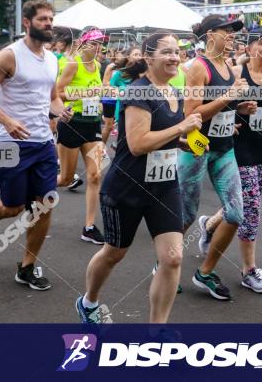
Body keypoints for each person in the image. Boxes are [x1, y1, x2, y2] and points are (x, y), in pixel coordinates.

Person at [77, 33, 203, 323]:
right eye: (167, 52)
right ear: (148, 58)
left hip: (164, 187)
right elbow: (137, 144)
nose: (175, 57)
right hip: (127, 187)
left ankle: (157, 333)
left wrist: (183, 142)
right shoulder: (138, 91)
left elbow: (161, 137)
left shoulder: (174, 91)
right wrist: (181, 127)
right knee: (114, 253)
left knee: (172, 258)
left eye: (177, 52)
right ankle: (89, 301)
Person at [0, 0, 70, 291]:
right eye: (43, 19)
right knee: (12, 207)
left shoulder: (51, 59)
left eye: (51, 19)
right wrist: (7, 121)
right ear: (27, 22)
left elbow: (52, 97)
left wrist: (61, 111)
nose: (49, 23)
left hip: (43, 143)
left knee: (44, 205)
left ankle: (27, 267)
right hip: (11, 142)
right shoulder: (10, 55)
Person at [199, 27, 262, 293]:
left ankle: (208, 225)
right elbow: (218, 103)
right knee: (250, 209)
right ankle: (249, 271)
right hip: (237, 148)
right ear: (249, 48)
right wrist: (238, 111)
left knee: (244, 202)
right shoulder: (237, 74)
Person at [180, 15, 249, 300]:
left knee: (235, 214)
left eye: (234, 32)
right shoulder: (198, 67)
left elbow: (224, 107)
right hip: (197, 144)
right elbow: (191, 114)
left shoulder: (229, 67)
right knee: (184, 215)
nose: (232, 36)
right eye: (227, 31)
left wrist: (242, 108)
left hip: (223, 146)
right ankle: (164, 265)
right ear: (210, 35)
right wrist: (229, 96)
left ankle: (205, 273)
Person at [56, 28, 107, 244]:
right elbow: (57, 93)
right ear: (83, 43)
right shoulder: (73, 64)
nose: (98, 47)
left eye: (100, 43)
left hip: (92, 125)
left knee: (95, 175)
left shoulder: (97, 66)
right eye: (94, 43)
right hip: (72, 124)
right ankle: (34, 186)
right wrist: (84, 94)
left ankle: (88, 227)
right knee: (66, 179)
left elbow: (97, 92)